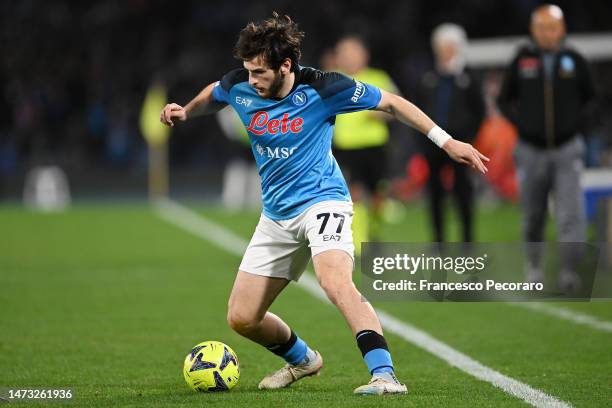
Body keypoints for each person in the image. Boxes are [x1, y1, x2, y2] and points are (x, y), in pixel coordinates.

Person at [160, 13, 488, 395]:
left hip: (323, 202)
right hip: (276, 215)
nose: (252, 80)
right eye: (248, 71)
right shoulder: (240, 85)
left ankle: (384, 374)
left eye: (260, 72)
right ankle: (303, 360)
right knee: (242, 318)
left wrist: (447, 143)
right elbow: (216, 93)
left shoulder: (324, 87)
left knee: (334, 280)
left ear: (285, 66)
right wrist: (186, 109)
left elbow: (394, 104)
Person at [497, 4, 595, 290]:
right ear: (532, 30)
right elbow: (504, 100)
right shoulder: (522, 60)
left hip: (567, 149)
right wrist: (524, 125)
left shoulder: (575, 60)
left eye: (552, 27)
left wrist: (575, 125)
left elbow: (592, 99)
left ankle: (569, 272)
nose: (546, 33)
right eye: (541, 27)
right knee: (533, 212)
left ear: (562, 29)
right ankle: (535, 267)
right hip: (530, 150)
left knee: (570, 213)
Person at [416, 23, 484, 242]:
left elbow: (479, 110)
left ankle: (467, 239)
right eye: (441, 46)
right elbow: (417, 110)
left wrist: (469, 136)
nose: (444, 50)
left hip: (461, 142)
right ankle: (438, 240)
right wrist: (423, 141)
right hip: (433, 144)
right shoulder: (428, 76)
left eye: (448, 46)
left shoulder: (468, 76)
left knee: (463, 192)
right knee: (435, 194)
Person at [332, 36, 399, 251]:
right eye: (344, 54)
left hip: (374, 144)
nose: (348, 58)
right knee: (354, 192)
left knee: (379, 193)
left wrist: (383, 114)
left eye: (352, 53)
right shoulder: (332, 80)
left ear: (364, 56)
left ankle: (374, 230)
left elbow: (398, 106)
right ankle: (359, 243)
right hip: (346, 146)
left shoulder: (378, 78)